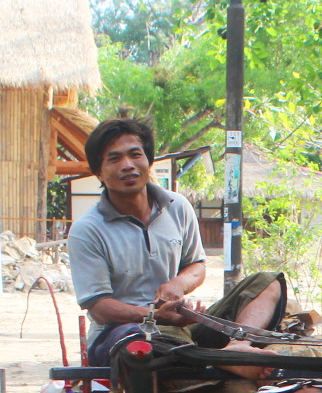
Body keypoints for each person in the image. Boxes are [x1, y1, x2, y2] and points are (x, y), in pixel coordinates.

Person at [68, 116, 280, 377]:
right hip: (122, 332)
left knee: (267, 283)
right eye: (114, 159)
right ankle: (217, 359)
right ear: (99, 173)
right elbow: (100, 309)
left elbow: (196, 265)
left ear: (148, 161)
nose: (128, 165)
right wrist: (155, 315)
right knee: (139, 345)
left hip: (180, 325)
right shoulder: (87, 230)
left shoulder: (177, 207)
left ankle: (238, 346)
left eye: (135, 155)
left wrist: (178, 284)